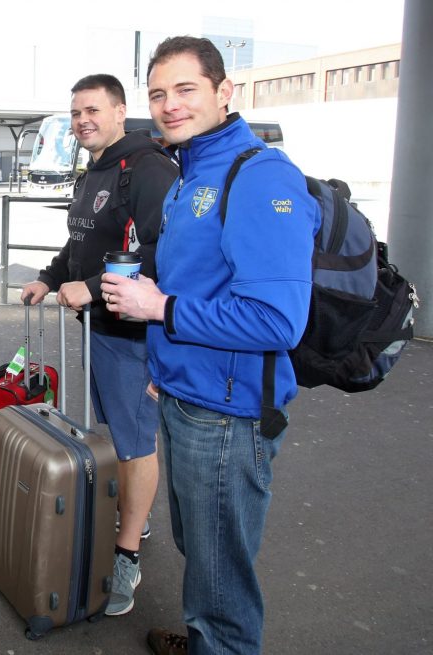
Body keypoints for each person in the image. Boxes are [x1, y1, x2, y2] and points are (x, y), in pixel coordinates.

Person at [100, 36, 319, 655]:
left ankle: (217, 642)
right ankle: (206, 638)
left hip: (229, 414)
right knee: (202, 550)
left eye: (186, 89)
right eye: (158, 94)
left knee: (221, 573)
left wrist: (158, 308)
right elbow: (199, 283)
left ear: (225, 92)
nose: (169, 105)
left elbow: (277, 321)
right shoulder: (190, 172)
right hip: (187, 394)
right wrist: (165, 367)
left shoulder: (260, 176)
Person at [21, 73, 177, 617]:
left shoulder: (148, 169)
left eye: (92, 110)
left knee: (135, 443)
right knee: (119, 432)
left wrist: (88, 287)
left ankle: (127, 554)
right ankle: (138, 515)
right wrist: (50, 277)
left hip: (135, 334)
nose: (82, 120)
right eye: (76, 113)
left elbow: (166, 251)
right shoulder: (96, 171)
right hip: (101, 328)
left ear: (119, 111)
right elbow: (81, 240)